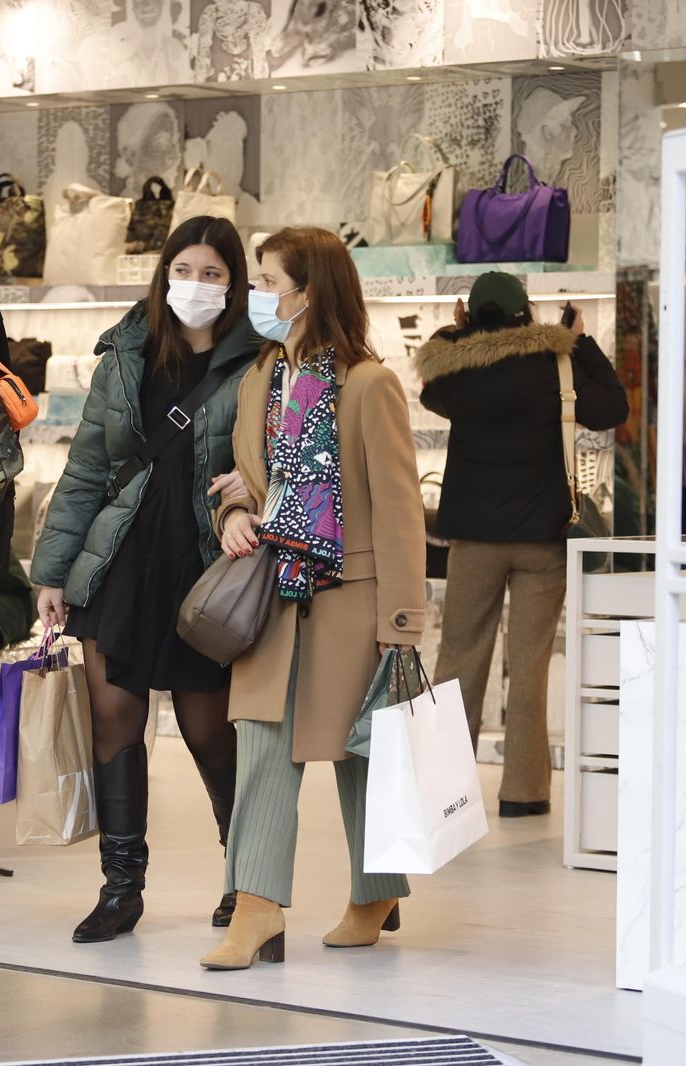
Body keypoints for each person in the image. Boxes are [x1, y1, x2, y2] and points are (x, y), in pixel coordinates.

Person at [31, 216, 263, 943]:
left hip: (206, 567)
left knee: (209, 731)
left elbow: (279, 457)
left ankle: (245, 879)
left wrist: (251, 489)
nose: (195, 284)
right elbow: (86, 471)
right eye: (183, 270)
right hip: (123, 561)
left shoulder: (260, 362)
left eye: (212, 273)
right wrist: (53, 572)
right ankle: (120, 889)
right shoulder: (127, 355)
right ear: (164, 275)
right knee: (114, 722)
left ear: (234, 283)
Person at [201, 226, 426, 971]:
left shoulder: (368, 384)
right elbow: (243, 480)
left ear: (310, 291)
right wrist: (234, 515)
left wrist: (401, 621)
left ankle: (375, 894)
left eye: (269, 282)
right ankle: (256, 908)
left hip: (352, 599)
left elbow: (399, 510)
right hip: (271, 594)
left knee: (361, 755)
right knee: (262, 746)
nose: (257, 296)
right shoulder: (259, 380)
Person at [414, 272, 628, 817]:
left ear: (470, 314)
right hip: (542, 539)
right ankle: (524, 793)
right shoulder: (557, 364)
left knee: (459, 657)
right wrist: (578, 341)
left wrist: (457, 332)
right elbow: (612, 407)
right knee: (530, 666)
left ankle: (446, 795)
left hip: (474, 541)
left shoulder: (456, 370)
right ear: (526, 311)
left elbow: (429, 385)